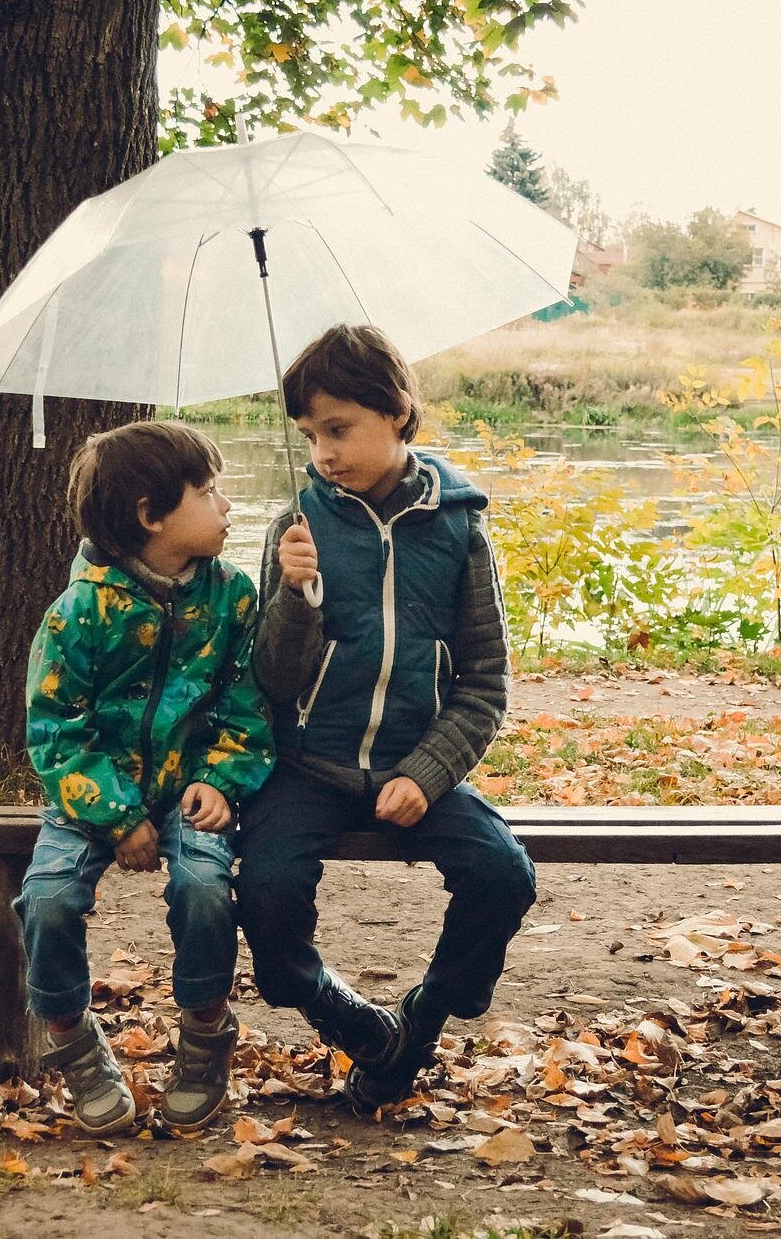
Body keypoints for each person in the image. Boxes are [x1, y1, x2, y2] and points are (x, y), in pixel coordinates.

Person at [237, 323, 536, 1115]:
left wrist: (427, 773)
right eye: (310, 435)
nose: (323, 452)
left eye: (339, 429)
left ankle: (424, 1018)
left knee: (503, 873)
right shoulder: (298, 526)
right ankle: (353, 1023)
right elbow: (269, 682)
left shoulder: (460, 527)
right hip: (309, 767)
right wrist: (294, 600)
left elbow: (485, 682)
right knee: (263, 890)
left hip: (414, 766)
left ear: (398, 412)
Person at [14, 420, 274, 1135]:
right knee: (50, 903)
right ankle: (71, 1042)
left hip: (193, 790)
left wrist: (222, 779)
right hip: (92, 796)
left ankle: (203, 1036)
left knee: (202, 889)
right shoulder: (78, 615)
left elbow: (248, 706)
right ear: (151, 515)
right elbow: (57, 732)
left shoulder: (234, 600)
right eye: (209, 491)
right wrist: (118, 817)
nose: (226, 506)